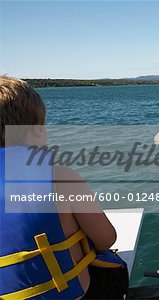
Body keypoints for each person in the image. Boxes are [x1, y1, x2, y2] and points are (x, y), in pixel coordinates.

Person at [0, 76, 128, 299]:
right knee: (114, 269)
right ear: (34, 131)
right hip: (72, 294)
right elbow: (106, 239)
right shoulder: (59, 176)